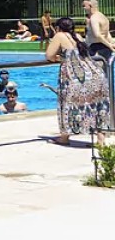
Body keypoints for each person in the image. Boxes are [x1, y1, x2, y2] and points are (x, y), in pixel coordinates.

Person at [46, 16, 109, 146]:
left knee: (67, 104)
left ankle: (64, 137)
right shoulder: (78, 36)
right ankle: (100, 140)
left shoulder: (59, 36)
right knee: (98, 107)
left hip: (76, 77)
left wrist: (61, 58)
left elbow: (49, 55)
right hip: (96, 75)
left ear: (58, 27)